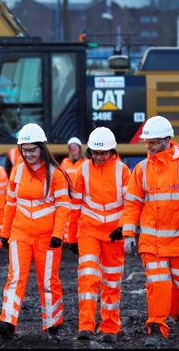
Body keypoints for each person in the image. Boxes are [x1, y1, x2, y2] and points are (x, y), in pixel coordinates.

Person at [118, 116, 179, 347]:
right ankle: (156, 328)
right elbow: (132, 204)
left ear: (168, 140)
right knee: (158, 285)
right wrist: (128, 234)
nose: (149, 147)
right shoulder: (141, 169)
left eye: (154, 142)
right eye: (147, 142)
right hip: (153, 243)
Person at [0, 123, 72, 342]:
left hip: (47, 238)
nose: (28, 154)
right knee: (15, 278)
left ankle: (53, 324)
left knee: (48, 281)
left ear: (42, 148)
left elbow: (63, 206)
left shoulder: (54, 174)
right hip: (20, 234)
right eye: (24, 150)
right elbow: (10, 202)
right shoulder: (17, 170)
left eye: (32, 150)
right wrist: (5, 231)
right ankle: (7, 322)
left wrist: (58, 234)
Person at [67, 127, 130, 343]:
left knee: (112, 281)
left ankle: (110, 327)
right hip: (89, 231)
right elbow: (75, 206)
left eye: (103, 153)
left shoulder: (122, 171)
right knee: (88, 278)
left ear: (112, 151)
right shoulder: (83, 170)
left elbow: (130, 205)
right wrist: (71, 237)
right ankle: (85, 327)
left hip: (114, 234)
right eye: (95, 152)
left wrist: (123, 228)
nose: (99, 157)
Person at [61, 137, 86, 242]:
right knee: (67, 216)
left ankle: (79, 237)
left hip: (81, 196)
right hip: (67, 196)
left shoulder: (85, 163)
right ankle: (67, 238)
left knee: (80, 217)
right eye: (71, 148)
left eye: (75, 147)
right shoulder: (65, 162)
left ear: (79, 149)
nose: (73, 150)